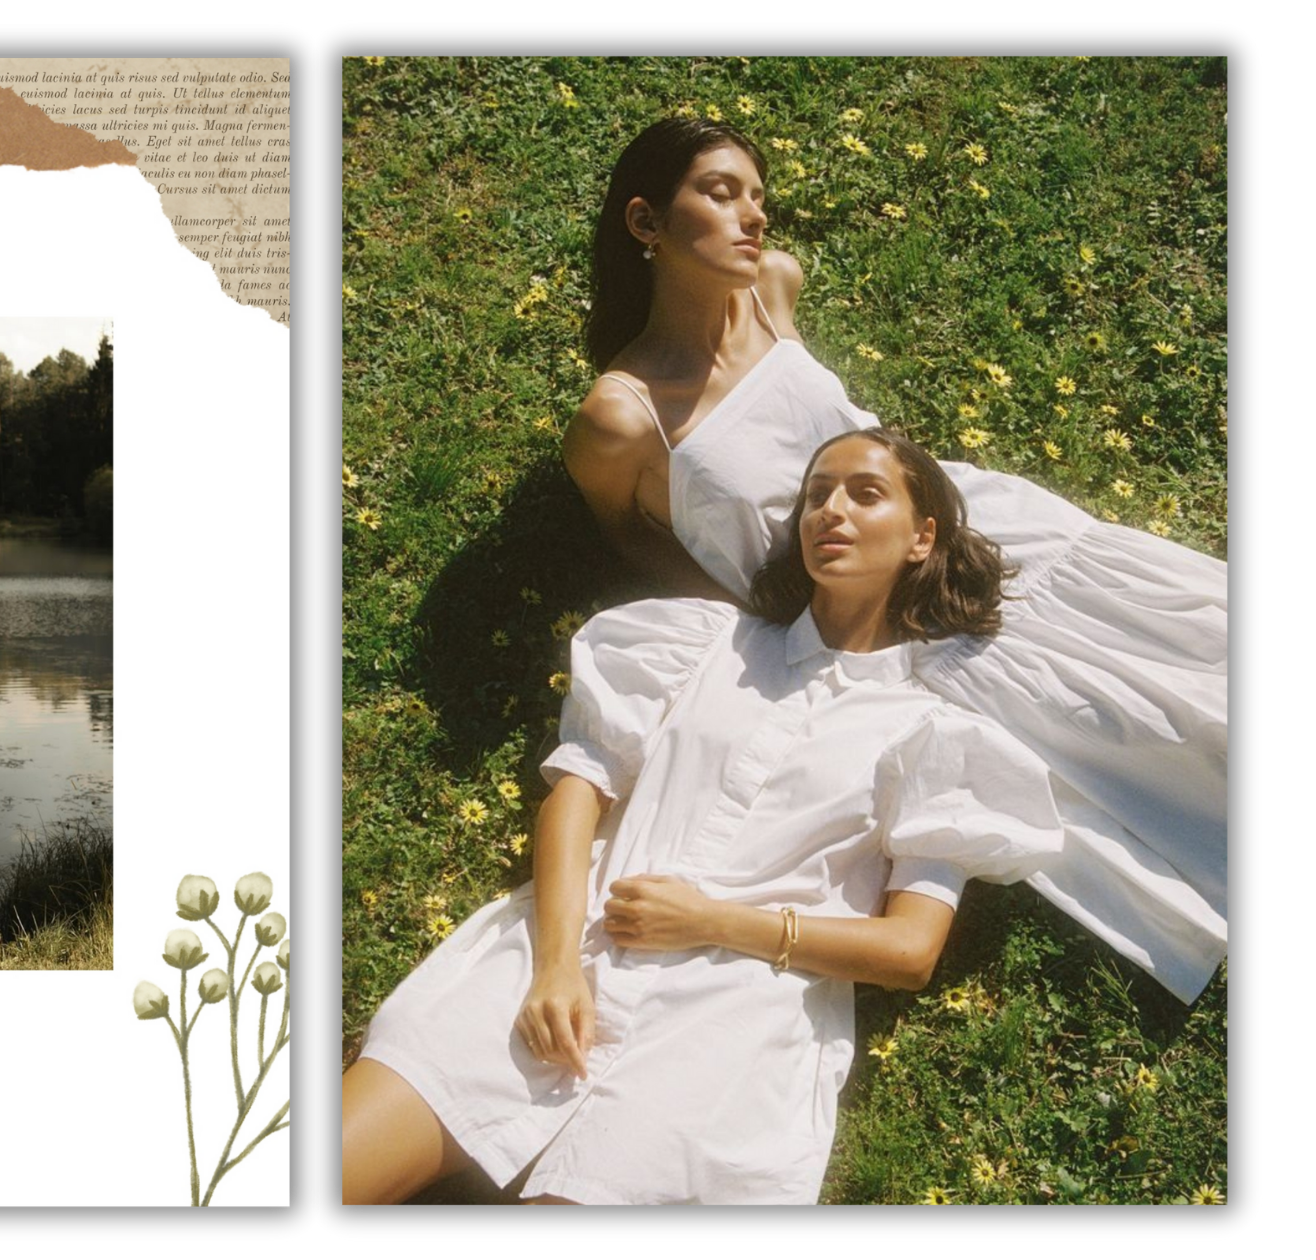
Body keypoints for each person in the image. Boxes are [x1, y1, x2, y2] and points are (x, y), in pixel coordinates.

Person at [565, 119, 1225, 1005]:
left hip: (964, 524)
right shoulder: (623, 416)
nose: (753, 215)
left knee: (1189, 636)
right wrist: (756, 614)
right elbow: (630, 536)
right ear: (646, 222)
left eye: (758, 195)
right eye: (721, 194)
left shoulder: (772, 286)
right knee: (1111, 726)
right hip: (882, 616)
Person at [343, 430, 1069, 1206]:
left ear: (922, 537)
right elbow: (577, 794)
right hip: (565, 952)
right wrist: (555, 964)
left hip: (724, 1038)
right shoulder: (699, 644)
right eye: (817, 493)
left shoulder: (934, 737)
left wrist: (712, 922)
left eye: (865, 493)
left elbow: (909, 950)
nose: (831, 510)